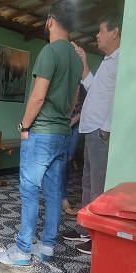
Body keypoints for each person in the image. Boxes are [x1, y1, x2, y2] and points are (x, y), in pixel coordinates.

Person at [0, 0, 83, 267]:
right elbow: (74, 100)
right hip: (62, 134)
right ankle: (46, 246)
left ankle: (23, 250)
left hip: (42, 133)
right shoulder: (76, 59)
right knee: (54, 192)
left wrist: (24, 126)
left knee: (29, 190)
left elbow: (38, 97)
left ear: (50, 20)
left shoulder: (49, 51)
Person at [62, 12, 122, 254]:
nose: (97, 35)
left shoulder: (121, 60)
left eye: (101, 30)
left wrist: (105, 129)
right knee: (86, 184)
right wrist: (84, 62)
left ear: (115, 32)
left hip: (99, 132)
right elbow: (92, 86)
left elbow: (118, 99)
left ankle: (96, 237)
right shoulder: (108, 60)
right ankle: (85, 229)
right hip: (91, 130)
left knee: (97, 186)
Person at [61, 84, 87, 216]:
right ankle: (63, 199)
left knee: (69, 158)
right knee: (63, 160)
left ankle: (60, 194)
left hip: (76, 120)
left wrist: (74, 120)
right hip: (63, 120)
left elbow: (86, 107)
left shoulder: (84, 86)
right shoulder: (65, 83)